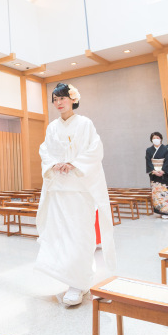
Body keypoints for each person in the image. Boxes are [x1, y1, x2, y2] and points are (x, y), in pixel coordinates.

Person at [36, 83, 116, 306]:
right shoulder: (52, 127)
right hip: (59, 189)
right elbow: (45, 150)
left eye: (62, 98)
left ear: (73, 99)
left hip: (80, 188)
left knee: (80, 234)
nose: (58, 103)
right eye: (55, 99)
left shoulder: (85, 124)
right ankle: (70, 279)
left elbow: (95, 150)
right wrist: (54, 163)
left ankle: (79, 283)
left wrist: (74, 163)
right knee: (61, 234)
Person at [146, 132, 168, 219]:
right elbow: (148, 161)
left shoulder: (166, 148)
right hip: (154, 174)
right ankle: (159, 210)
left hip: (164, 173)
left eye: (157, 137)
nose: (156, 139)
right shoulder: (149, 150)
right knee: (156, 192)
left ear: (160, 139)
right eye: (154, 138)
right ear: (151, 140)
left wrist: (163, 170)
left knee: (165, 191)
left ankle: (166, 212)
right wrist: (153, 171)